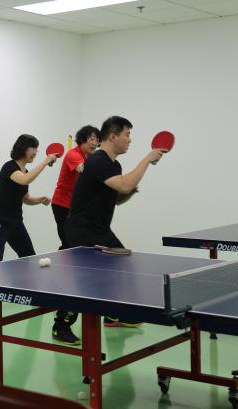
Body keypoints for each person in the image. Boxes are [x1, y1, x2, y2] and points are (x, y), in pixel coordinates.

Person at [54, 116, 166, 344]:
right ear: (113, 136)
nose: (130, 140)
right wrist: (147, 159)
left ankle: (113, 314)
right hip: (82, 230)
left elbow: (115, 197)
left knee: (122, 266)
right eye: (127, 134)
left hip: (98, 229)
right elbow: (124, 183)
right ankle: (61, 325)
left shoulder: (113, 165)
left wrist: (127, 193)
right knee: (85, 280)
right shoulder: (98, 161)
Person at [0, 134, 56, 314]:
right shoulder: (9, 167)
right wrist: (46, 161)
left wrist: (39, 200)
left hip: (16, 222)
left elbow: (25, 198)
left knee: (29, 258)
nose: (35, 152)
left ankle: (34, 296)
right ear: (23, 148)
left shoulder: (25, 171)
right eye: (33, 148)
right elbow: (25, 180)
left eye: (37, 149)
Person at [51, 125, 100, 250]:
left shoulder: (91, 157)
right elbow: (82, 169)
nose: (95, 143)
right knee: (69, 243)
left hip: (77, 206)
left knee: (81, 242)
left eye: (97, 140)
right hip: (62, 204)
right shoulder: (73, 154)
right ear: (82, 139)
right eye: (92, 139)